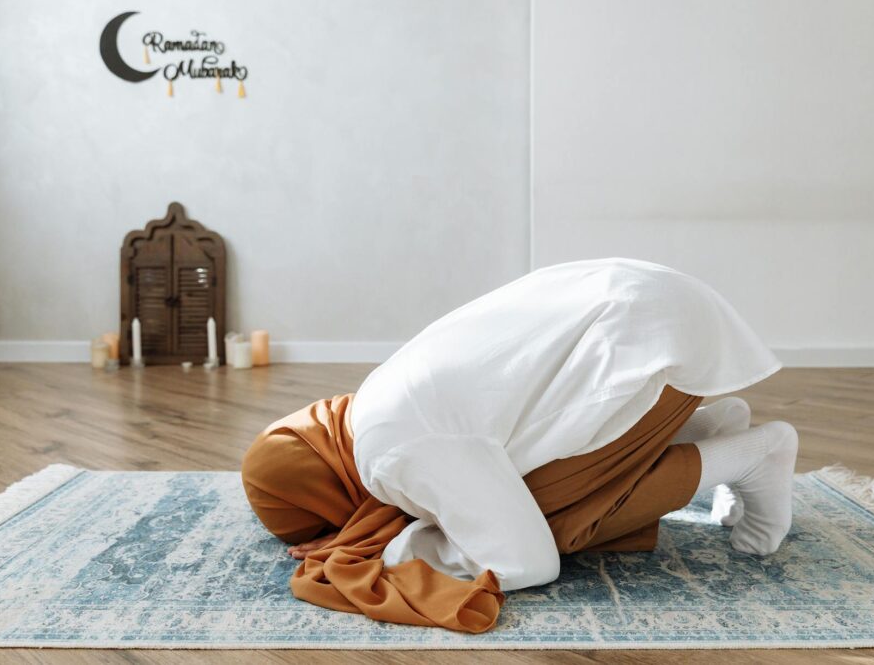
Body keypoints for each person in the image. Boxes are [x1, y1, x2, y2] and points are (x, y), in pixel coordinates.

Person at [241, 257, 798, 633]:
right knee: (526, 483)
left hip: (646, 342)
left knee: (555, 521)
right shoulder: (369, 405)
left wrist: (387, 552)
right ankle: (710, 428)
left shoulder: (389, 452)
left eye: (325, 524)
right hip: (658, 315)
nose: (342, 533)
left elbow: (527, 562)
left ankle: (755, 454)